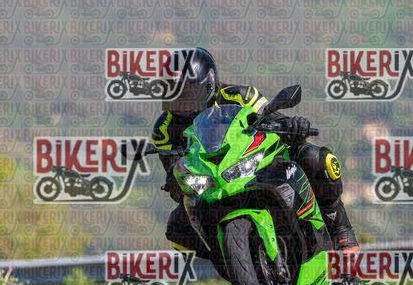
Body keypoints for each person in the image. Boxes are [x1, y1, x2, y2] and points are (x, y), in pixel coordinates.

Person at [152, 47, 360, 261]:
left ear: (208, 84)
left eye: (186, 93)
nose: (179, 101)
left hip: (255, 162)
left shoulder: (239, 96)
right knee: (177, 227)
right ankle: (230, 260)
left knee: (315, 159)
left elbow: (274, 120)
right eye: (172, 92)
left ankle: (341, 231)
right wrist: (176, 181)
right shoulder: (163, 129)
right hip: (211, 185)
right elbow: (174, 171)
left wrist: (292, 125)